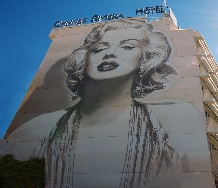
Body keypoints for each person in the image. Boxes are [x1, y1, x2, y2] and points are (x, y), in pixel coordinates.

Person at [8, 18, 180, 188]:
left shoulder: (165, 130)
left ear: (146, 59)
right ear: (85, 60)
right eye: (99, 49)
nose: (109, 53)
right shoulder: (35, 129)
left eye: (127, 46)